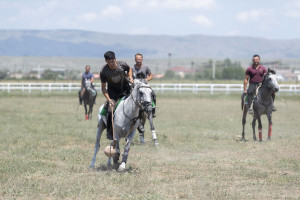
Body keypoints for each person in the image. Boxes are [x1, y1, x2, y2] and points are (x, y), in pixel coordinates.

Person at [100, 51, 133, 140]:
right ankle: (110, 131)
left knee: (136, 104)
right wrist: (109, 99)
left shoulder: (122, 64)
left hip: (125, 89)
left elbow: (129, 68)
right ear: (106, 61)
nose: (111, 64)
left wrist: (130, 77)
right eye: (108, 62)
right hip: (113, 93)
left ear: (115, 59)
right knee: (110, 110)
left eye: (112, 61)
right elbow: (103, 88)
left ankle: (139, 126)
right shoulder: (104, 71)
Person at [132, 53, 156, 135]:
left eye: (140, 59)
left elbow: (151, 76)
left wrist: (146, 80)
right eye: (137, 59)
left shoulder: (145, 67)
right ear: (135, 59)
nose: (138, 60)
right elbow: (130, 77)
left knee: (153, 94)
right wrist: (133, 81)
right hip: (136, 86)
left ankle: (153, 110)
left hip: (144, 85)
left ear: (142, 59)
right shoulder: (132, 68)